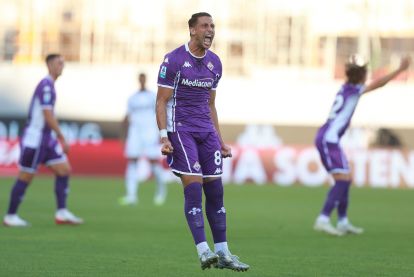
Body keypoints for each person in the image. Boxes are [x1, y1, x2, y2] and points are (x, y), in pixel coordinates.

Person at [156, 12, 249, 271]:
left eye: (213, 26)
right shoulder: (173, 60)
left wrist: (220, 141)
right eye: (205, 26)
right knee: (194, 190)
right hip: (181, 131)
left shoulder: (215, 63)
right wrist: (164, 136)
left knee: (216, 192)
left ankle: (224, 253)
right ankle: (203, 250)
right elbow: (161, 100)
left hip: (207, 132)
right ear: (192, 30)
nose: (210, 30)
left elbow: (211, 105)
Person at [314, 54, 411, 236]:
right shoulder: (353, 90)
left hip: (330, 138)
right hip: (328, 139)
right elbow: (379, 83)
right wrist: (399, 69)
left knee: (346, 178)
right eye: (365, 71)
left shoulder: (347, 88)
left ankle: (342, 221)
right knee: (342, 179)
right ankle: (323, 219)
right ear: (361, 75)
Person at [3, 53, 84, 227]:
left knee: (63, 169)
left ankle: (62, 213)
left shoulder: (50, 86)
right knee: (26, 176)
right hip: (35, 139)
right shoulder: (46, 86)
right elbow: (47, 114)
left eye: (63, 63)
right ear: (49, 65)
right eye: (58, 63)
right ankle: (10, 215)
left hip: (46, 139)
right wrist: (62, 137)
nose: (61, 66)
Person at [119, 73, 167, 206]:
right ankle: (131, 196)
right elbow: (127, 116)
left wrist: (161, 132)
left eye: (143, 78)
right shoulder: (132, 98)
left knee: (153, 162)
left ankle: (161, 191)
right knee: (132, 161)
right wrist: (123, 136)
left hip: (150, 132)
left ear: (145, 79)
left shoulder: (152, 96)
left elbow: (160, 112)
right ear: (138, 80)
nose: (141, 80)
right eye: (140, 78)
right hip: (135, 132)